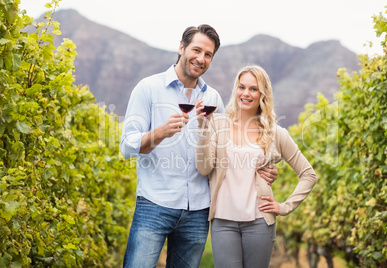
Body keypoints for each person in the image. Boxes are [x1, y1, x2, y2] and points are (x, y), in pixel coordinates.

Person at [120, 25, 279, 267]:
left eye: (208, 55)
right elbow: (127, 145)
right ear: (181, 48)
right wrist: (160, 132)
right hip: (154, 205)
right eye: (196, 50)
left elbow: (227, 152)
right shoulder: (148, 88)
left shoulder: (213, 99)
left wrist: (260, 170)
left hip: (198, 212)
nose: (201, 58)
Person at [195, 65, 317, 268]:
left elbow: (308, 174)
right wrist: (202, 128)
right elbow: (204, 168)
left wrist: (285, 207)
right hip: (223, 221)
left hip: (259, 221)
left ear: (263, 94)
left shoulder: (275, 133)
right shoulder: (217, 123)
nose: (246, 93)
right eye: (241, 87)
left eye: (253, 88)